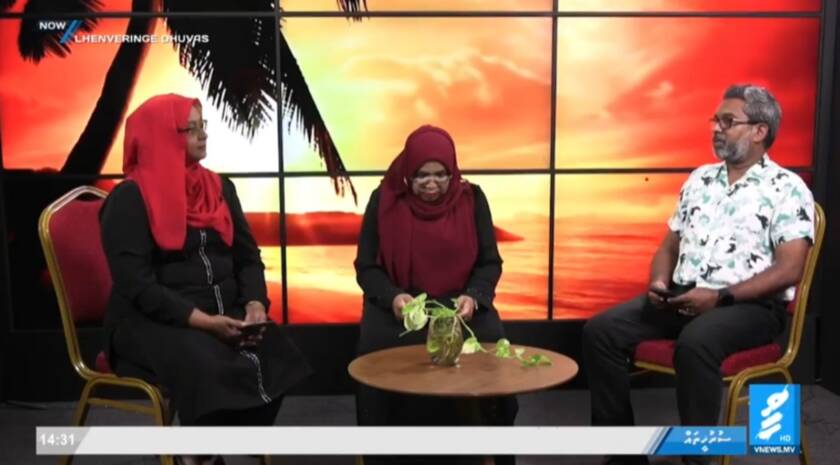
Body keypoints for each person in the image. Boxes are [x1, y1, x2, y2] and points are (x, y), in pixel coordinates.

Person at [582, 84, 815, 465]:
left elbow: (791, 268)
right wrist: (659, 282)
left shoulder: (787, 189)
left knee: (696, 343)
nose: (717, 129)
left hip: (749, 307)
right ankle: (623, 456)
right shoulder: (699, 179)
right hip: (685, 296)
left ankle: (697, 458)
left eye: (728, 121)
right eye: (715, 120)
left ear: (760, 131)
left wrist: (720, 297)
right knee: (601, 332)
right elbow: (668, 248)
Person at [100, 94, 312, 465]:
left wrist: (255, 304)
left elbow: (248, 257)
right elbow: (138, 287)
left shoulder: (219, 188)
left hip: (221, 312)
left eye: (203, 126)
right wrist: (206, 323)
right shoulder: (129, 199)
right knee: (205, 359)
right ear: (160, 136)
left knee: (276, 349)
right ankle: (198, 454)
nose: (203, 135)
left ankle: (199, 444)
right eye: (190, 128)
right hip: (149, 321)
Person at [354, 125, 517, 465]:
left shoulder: (473, 199)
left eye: (441, 175)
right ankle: (387, 454)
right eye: (422, 175)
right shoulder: (383, 200)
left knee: (491, 345)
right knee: (376, 355)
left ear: (453, 172)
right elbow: (366, 267)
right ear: (407, 174)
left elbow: (490, 262)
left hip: (460, 305)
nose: (432, 184)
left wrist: (474, 296)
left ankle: (491, 450)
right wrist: (393, 297)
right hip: (401, 306)